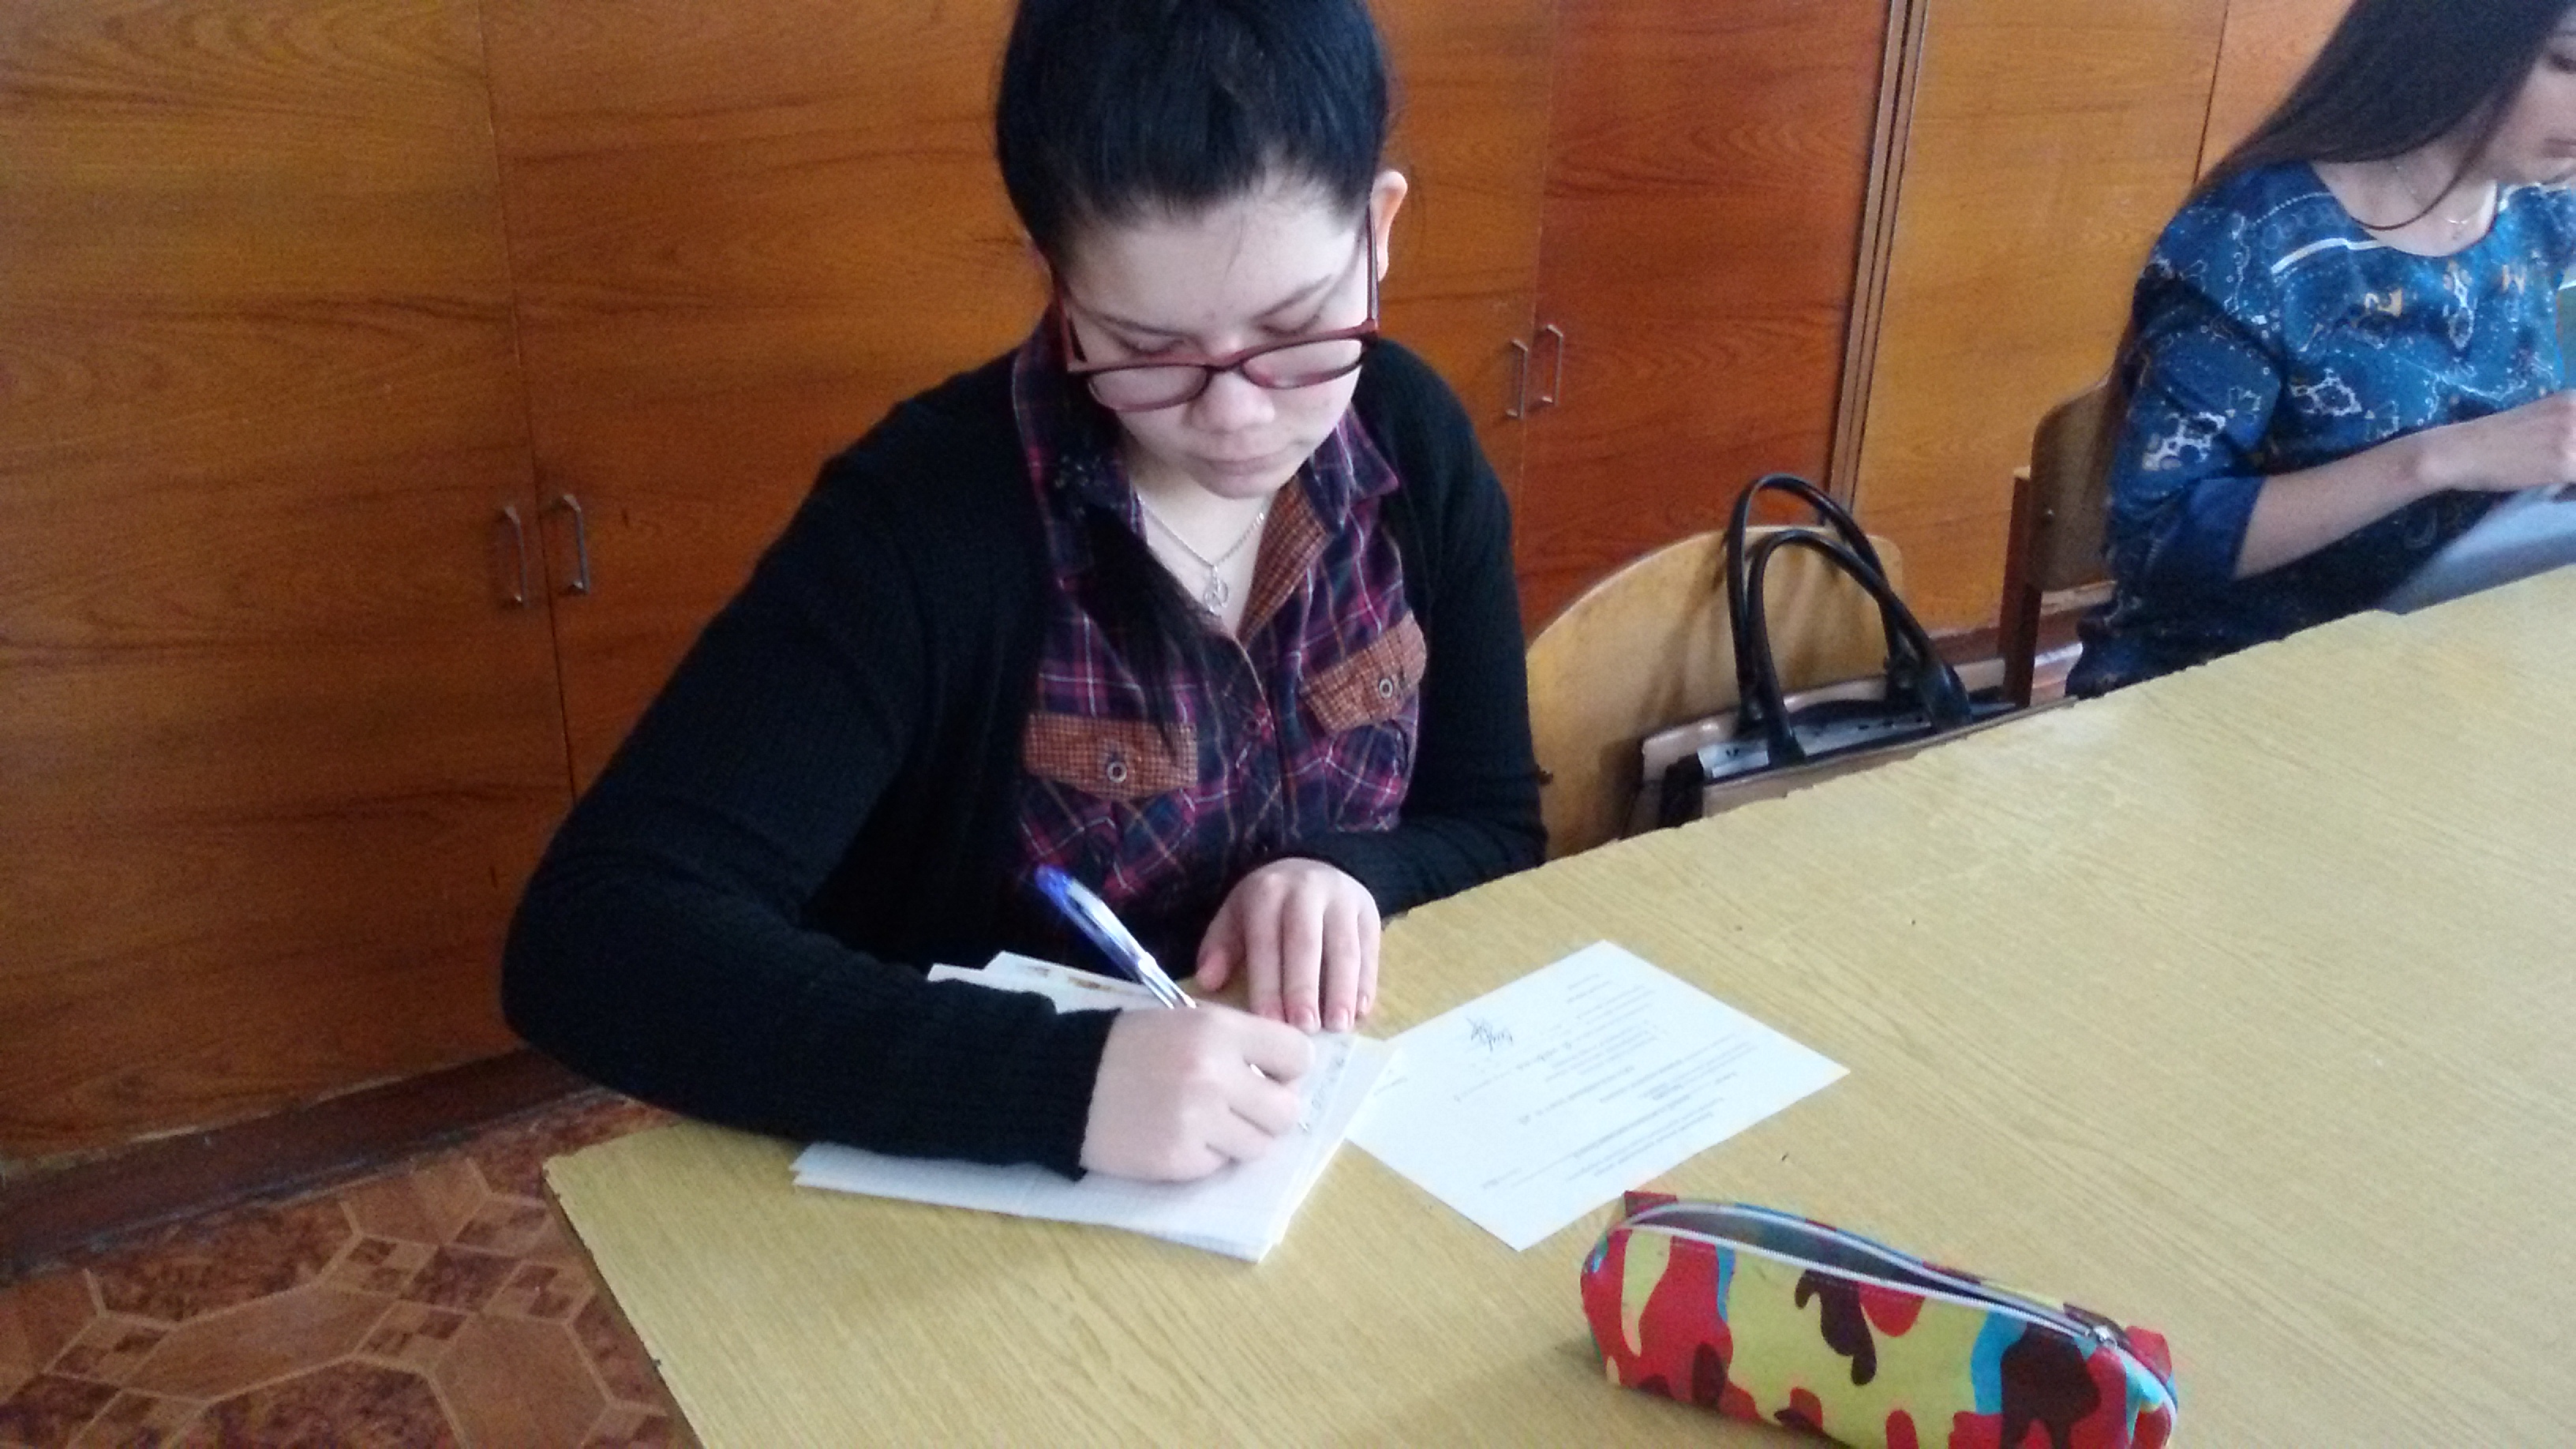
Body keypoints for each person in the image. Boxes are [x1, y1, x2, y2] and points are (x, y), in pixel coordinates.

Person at [502, 0, 1541, 1183]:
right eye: (1149, 349)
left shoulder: (1411, 442)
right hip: (1006, 1197)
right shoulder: (923, 524)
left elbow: (1494, 824)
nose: (1237, 415)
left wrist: (1355, 870)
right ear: (1061, 285)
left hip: (1324, 1144)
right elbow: (593, 938)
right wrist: (1061, 1082)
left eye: (1296, 329)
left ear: (1378, 228)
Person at [2069, 0, 2576, 695]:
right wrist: (2442, 459)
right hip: (2230, 677)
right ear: (2451, 36)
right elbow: (2155, 536)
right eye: (2568, 63)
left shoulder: (2540, 209)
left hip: (2441, 660)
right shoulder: (2255, 239)